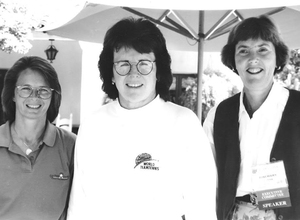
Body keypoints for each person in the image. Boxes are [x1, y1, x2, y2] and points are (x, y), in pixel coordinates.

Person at [67, 17, 217, 220]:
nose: (134, 74)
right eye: (123, 64)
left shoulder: (183, 122)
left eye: (144, 64)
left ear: (158, 71)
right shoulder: (93, 124)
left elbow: (201, 205)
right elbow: (80, 201)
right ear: (111, 72)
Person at [203, 15, 300, 220]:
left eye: (263, 49)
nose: (253, 58)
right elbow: (205, 177)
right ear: (234, 60)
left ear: (277, 58)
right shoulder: (219, 114)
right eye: (243, 50)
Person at [0, 56, 76, 220]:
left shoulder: (71, 146)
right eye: (25, 88)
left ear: (52, 96)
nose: (34, 96)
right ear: (13, 94)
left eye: (43, 90)